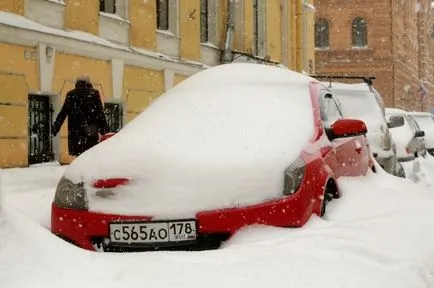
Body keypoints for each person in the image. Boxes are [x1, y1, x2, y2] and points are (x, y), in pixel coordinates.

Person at [52, 75, 110, 156]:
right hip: (90, 132)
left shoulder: (71, 94)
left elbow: (63, 112)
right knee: (90, 156)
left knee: (79, 157)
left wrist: (56, 127)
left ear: (77, 83)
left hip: (75, 133)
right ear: (88, 83)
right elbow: (100, 113)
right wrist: (105, 130)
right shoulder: (94, 93)